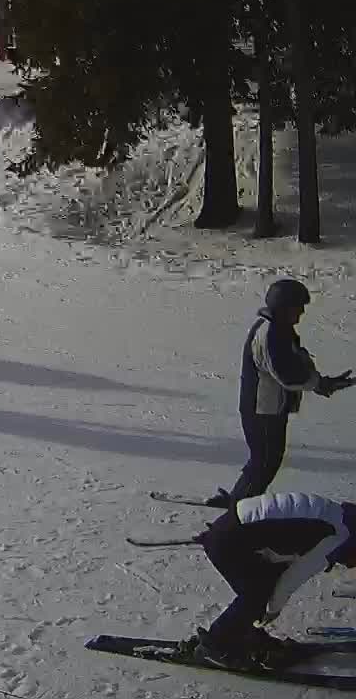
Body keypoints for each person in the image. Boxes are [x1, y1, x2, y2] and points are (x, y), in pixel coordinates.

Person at [207, 280, 354, 506]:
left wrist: (321, 381)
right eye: (299, 306)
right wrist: (320, 384)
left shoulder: (278, 330)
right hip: (262, 410)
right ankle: (239, 507)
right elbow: (287, 375)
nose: (302, 312)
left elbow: (293, 364)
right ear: (283, 307)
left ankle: (240, 499)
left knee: (265, 459)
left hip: (268, 407)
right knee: (265, 461)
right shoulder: (270, 334)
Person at [183, 492, 356, 669]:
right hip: (231, 539)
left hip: (233, 527)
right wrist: (273, 610)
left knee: (266, 583)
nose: (351, 566)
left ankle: (242, 634)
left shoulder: (339, 516)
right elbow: (292, 579)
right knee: (255, 595)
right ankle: (214, 646)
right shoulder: (336, 537)